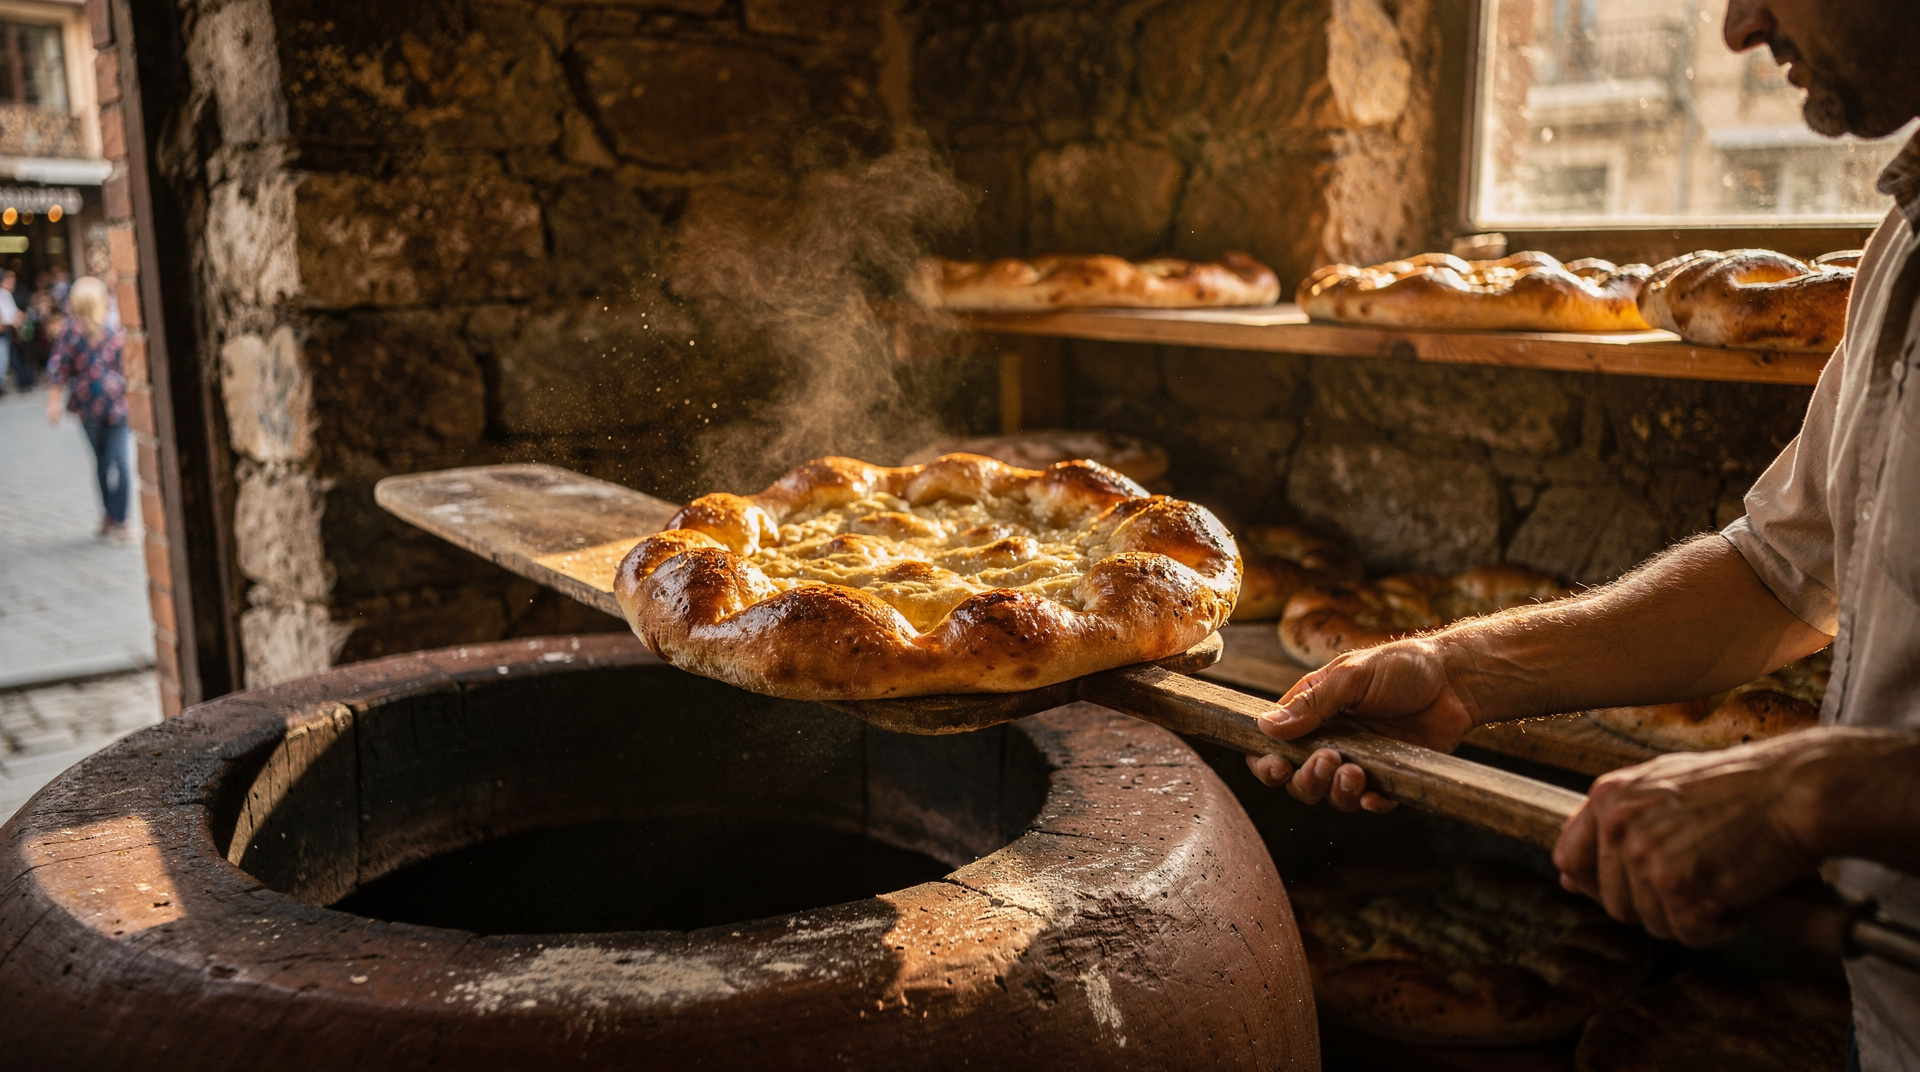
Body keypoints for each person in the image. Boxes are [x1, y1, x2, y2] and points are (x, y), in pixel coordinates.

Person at [1246, 1, 1920, 1068]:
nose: (1741, 28)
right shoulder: (1905, 244)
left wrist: (1812, 790)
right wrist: (1458, 671)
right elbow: (1779, 576)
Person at [44, 277, 132, 542]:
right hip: (88, 411)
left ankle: (121, 518)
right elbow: (58, 369)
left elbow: (128, 366)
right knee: (103, 464)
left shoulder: (114, 328)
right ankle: (109, 514)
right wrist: (53, 403)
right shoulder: (71, 333)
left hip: (117, 409)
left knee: (121, 463)